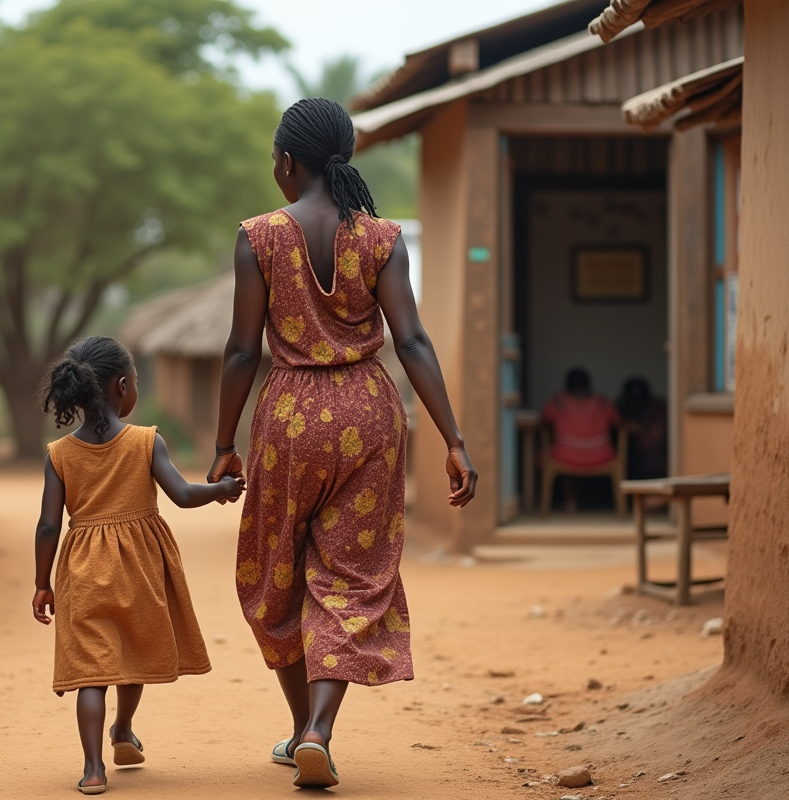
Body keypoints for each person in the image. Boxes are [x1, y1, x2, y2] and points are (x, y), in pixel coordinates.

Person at [208, 98, 477, 789]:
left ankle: (303, 727)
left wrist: (223, 443)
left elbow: (241, 352)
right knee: (352, 576)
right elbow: (412, 341)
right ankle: (318, 732)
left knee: (279, 570)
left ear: (287, 162)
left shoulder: (259, 237)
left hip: (288, 419)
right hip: (369, 416)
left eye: (275, 159)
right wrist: (453, 439)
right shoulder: (383, 237)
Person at [31, 336, 245, 795]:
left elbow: (48, 526)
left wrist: (41, 583)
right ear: (123, 386)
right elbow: (183, 495)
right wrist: (222, 490)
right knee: (131, 653)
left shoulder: (59, 454)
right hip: (139, 567)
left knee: (92, 673)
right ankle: (123, 729)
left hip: (83, 570)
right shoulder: (146, 441)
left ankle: (93, 769)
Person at [542, 367, 621, 511]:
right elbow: (619, 423)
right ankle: (588, 500)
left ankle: (570, 500)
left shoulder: (557, 401)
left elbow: (543, 422)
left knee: (545, 455)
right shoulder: (603, 402)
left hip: (565, 455)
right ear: (588, 384)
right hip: (601, 455)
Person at [616, 376, 668, 480]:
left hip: (655, 462)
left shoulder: (657, 406)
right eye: (633, 396)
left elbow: (658, 431)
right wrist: (626, 426)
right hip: (629, 455)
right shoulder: (622, 405)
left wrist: (642, 430)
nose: (636, 399)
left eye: (640, 395)